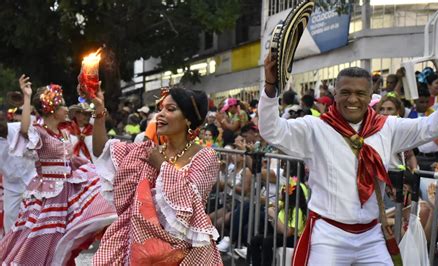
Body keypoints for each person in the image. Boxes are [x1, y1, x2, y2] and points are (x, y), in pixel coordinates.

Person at [259, 41, 438, 265]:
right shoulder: (315, 127)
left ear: (371, 96)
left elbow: (433, 126)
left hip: (371, 236)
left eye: (360, 93)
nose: (352, 99)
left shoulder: (387, 127)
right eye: (346, 92)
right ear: (335, 95)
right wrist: (271, 86)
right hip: (329, 235)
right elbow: (272, 131)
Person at [92, 87, 222, 265]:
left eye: (170, 109)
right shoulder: (146, 151)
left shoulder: (205, 156)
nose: (159, 115)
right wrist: (99, 110)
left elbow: (191, 201)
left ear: (188, 119)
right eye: (160, 108)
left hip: (182, 252)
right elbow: (101, 150)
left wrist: (161, 164)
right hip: (137, 245)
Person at [0, 75, 117, 265]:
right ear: (52, 111)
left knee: (64, 235)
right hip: (50, 194)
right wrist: (27, 96)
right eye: (62, 105)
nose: (66, 109)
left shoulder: (63, 132)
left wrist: (96, 170)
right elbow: (24, 130)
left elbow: (70, 160)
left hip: (67, 188)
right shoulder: (39, 132)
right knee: (45, 237)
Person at [249, 179, 308, 266]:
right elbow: (278, 228)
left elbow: (288, 233)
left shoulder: (297, 211)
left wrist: (274, 216)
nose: (279, 193)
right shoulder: (284, 208)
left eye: (281, 191)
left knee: (268, 241)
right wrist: (271, 218)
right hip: (282, 234)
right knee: (255, 240)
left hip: (294, 238)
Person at [0, 113, 37, 235]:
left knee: (36, 213)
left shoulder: (18, 128)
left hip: (33, 178)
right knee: (10, 215)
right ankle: (9, 249)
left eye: (1, 120)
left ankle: (33, 245)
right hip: (12, 185)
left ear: (5, 119)